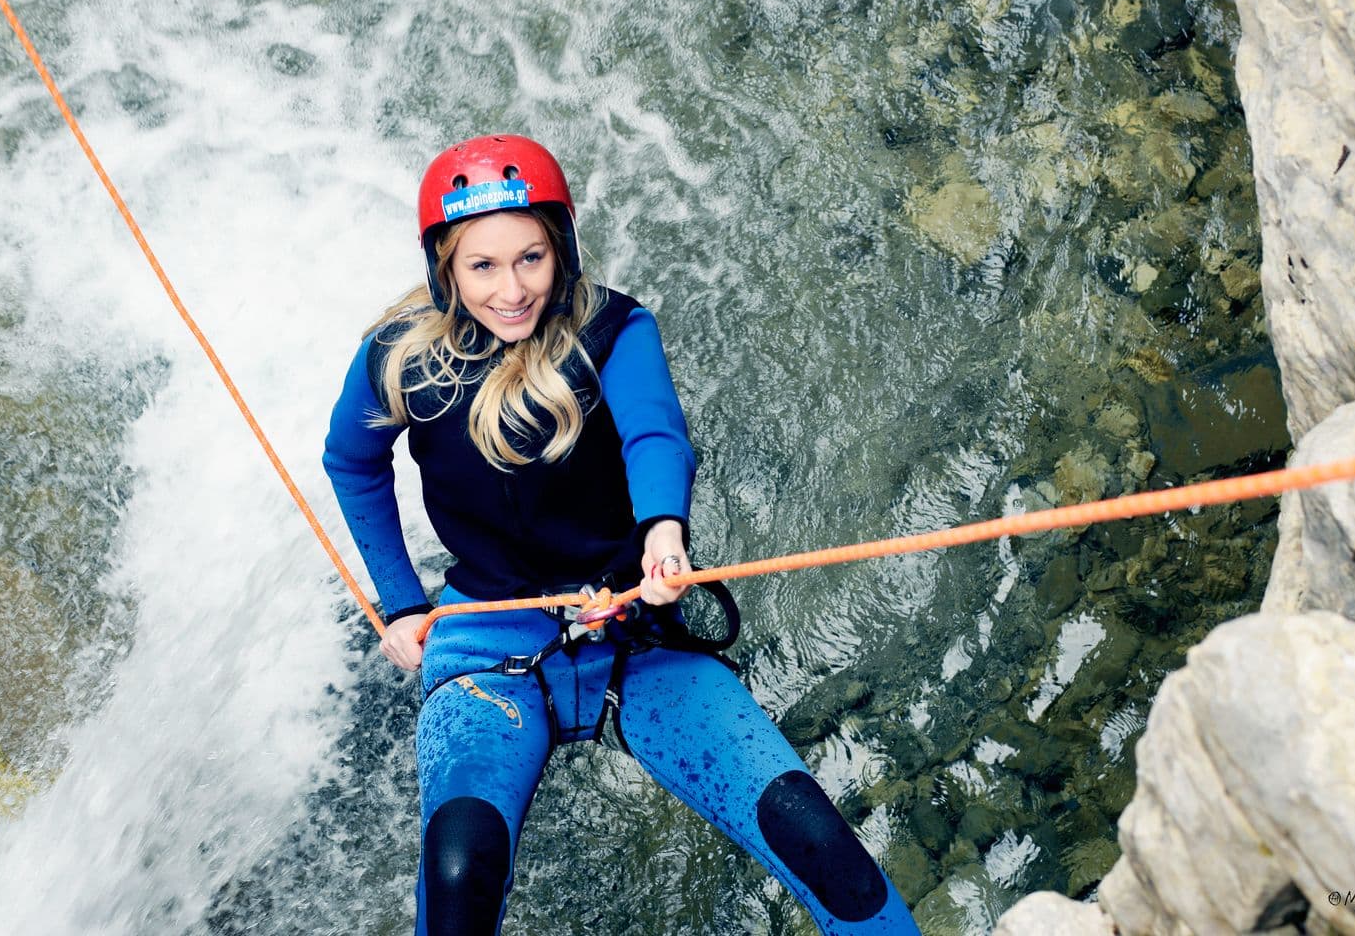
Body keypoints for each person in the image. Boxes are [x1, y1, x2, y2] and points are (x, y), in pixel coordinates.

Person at [323, 134, 917, 934]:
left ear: (561, 246)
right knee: (458, 870)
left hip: (634, 630)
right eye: (483, 267)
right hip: (484, 647)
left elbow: (654, 435)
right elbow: (350, 462)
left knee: (819, 844)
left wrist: (661, 534)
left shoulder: (614, 329)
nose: (511, 290)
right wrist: (399, 601)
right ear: (445, 269)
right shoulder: (399, 359)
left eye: (531, 258)